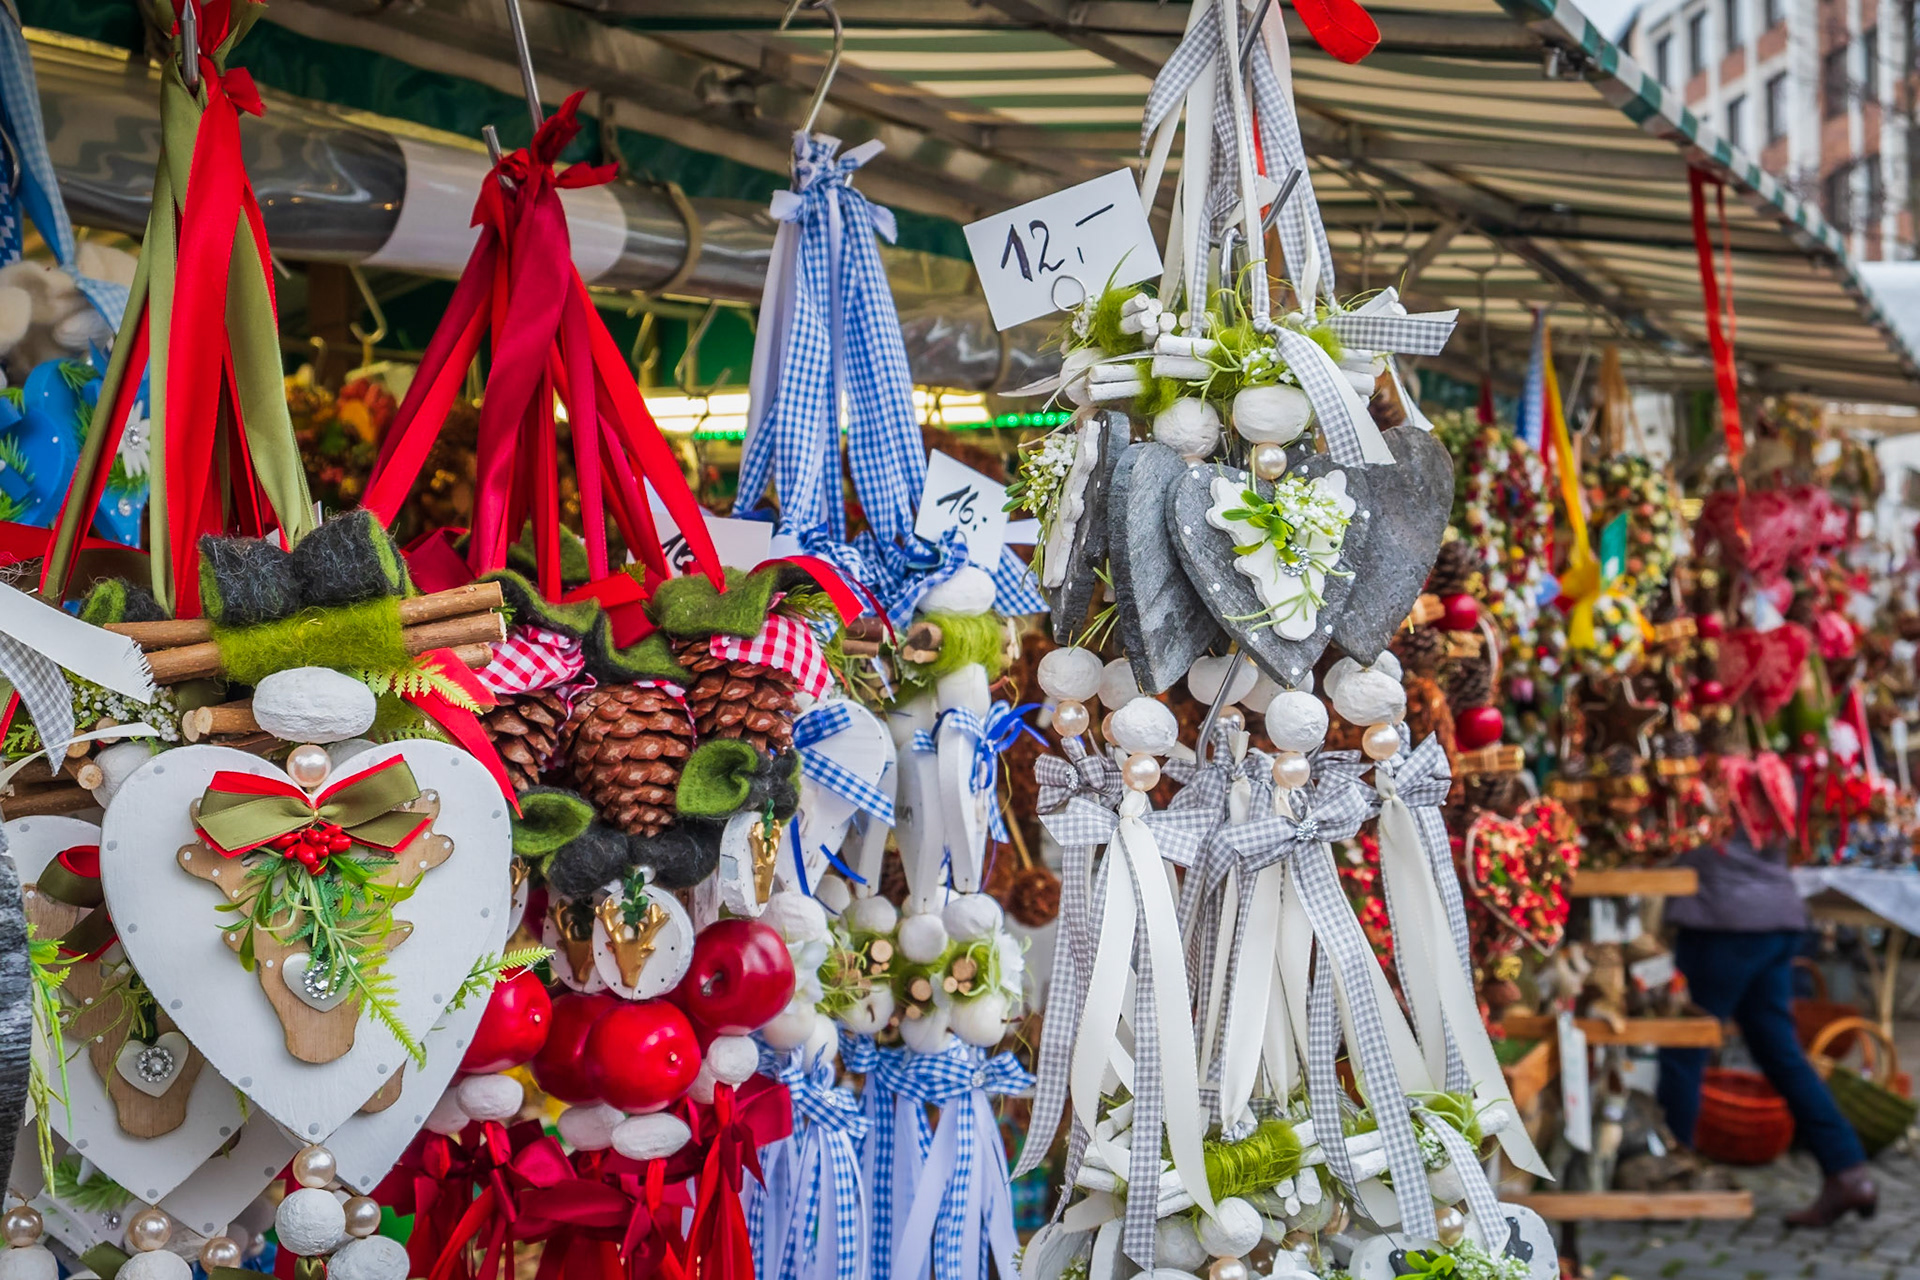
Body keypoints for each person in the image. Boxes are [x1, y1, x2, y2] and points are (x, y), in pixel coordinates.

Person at [1656, 828, 1877, 1227]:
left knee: (1683, 1047)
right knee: (1779, 1051)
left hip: (1725, 922)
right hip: (1776, 916)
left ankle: (1675, 1182)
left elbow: (1691, 834)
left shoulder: (1722, 776)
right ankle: (1848, 1171)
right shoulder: (1773, 768)